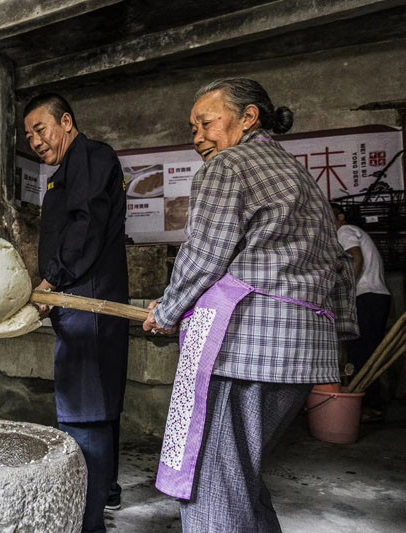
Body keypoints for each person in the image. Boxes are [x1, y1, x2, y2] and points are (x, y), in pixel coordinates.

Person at [142, 78, 358, 532]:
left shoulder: (229, 166)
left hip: (247, 350)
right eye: (192, 127)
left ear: (248, 117)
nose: (197, 135)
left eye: (205, 122)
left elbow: (203, 255)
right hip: (302, 357)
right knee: (239, 478)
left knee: (210, 482)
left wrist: (166, 311)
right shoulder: (301, 177)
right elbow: (340, 266)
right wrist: (339, 338)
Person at [23, 93, 129, 533]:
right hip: (79, 296)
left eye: (40, 129)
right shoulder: (69, 170)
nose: (34, 140)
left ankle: (88, 524)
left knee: (84, 409)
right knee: (98, 404)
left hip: (87, 299)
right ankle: (104, 493)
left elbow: (87, 224)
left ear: (66, 121)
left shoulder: (89, 155)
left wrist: (51, 282)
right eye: (28, 135)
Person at [332, 203, 391, 412]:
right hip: (375, 296)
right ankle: (370, 405)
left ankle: (371, 406)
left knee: (363, 354)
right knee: (366, 353)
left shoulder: (344, 230)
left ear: (341, 217)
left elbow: (356, 257)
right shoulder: (353, 231)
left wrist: (348, 289)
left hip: (367, 296)